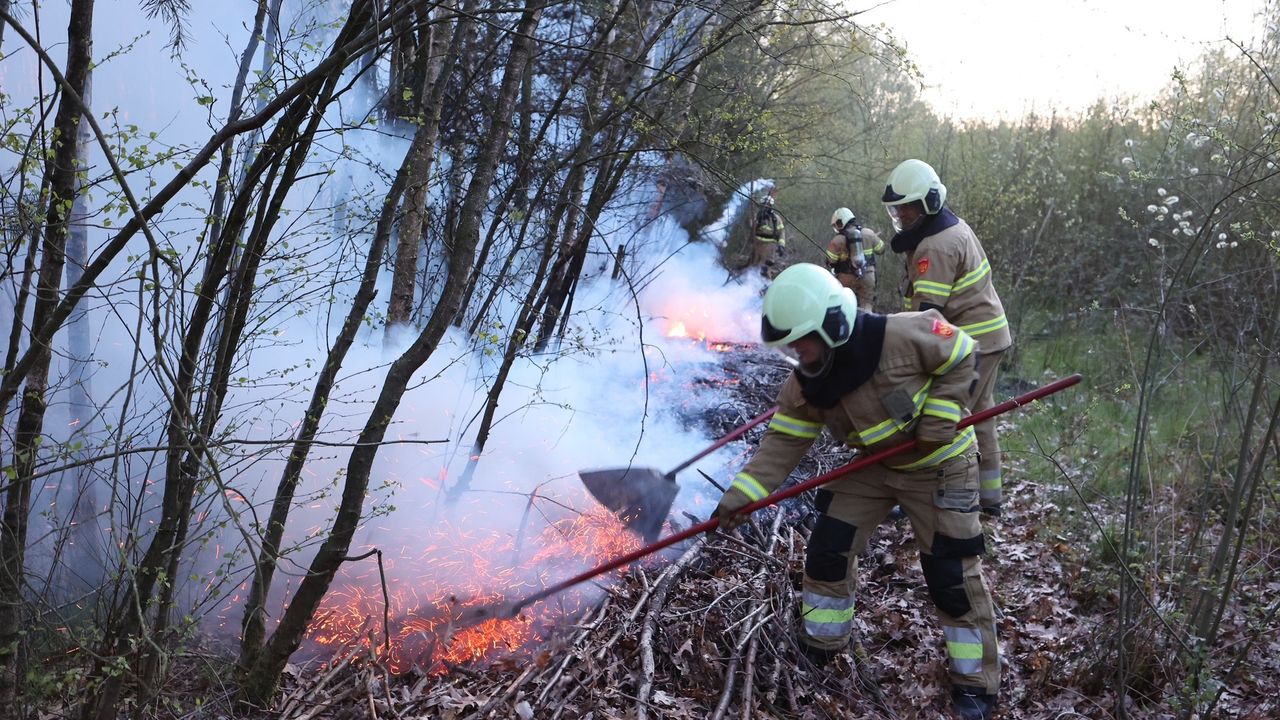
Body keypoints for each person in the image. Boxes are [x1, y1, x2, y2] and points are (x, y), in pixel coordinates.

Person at [714, 263, 1000, 720]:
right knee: (828, 546)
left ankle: (976, 685)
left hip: (940, 465)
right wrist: (742, 493)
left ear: (832, 325)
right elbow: (783, 442)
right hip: (879, 467)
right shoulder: (809, 380)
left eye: (800, 341)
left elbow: (964, 352)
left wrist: (944, 409)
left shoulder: (904, 334)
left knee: (950, 576)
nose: (795, 352)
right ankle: (823, 645)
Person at [881, 159, 1012, 515]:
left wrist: (889, 345)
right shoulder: (949, 227)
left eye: (906, 208)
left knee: (947, 419)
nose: (901, 216)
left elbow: (928, 319)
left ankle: (954, 503)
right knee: (979, 416)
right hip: (988, 337)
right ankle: (990, 499)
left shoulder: (934, 247)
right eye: (897, 209)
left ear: (927, 203)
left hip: (972, 344)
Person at [825, 207, 885, 310]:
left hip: (845, 277)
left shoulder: (837, 240)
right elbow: (881, 249)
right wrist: (872, 238)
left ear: (840, 223)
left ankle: (849, 323)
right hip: (867, 276)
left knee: (845, 306)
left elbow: (831, 261)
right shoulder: (868, 233)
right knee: (867, 304)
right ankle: (867, 323)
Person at [750, 194, 786, 278]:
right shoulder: (757, 217)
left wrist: (781, 245)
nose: (765, 207)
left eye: (767, 205)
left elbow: (781, 232)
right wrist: (758, 221)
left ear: (771, 206)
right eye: (763, 205)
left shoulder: (775, 218)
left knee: (765, 269)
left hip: (770, 247)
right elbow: (751, 229)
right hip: (757, 245)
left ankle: (765, 286)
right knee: (753, 268)